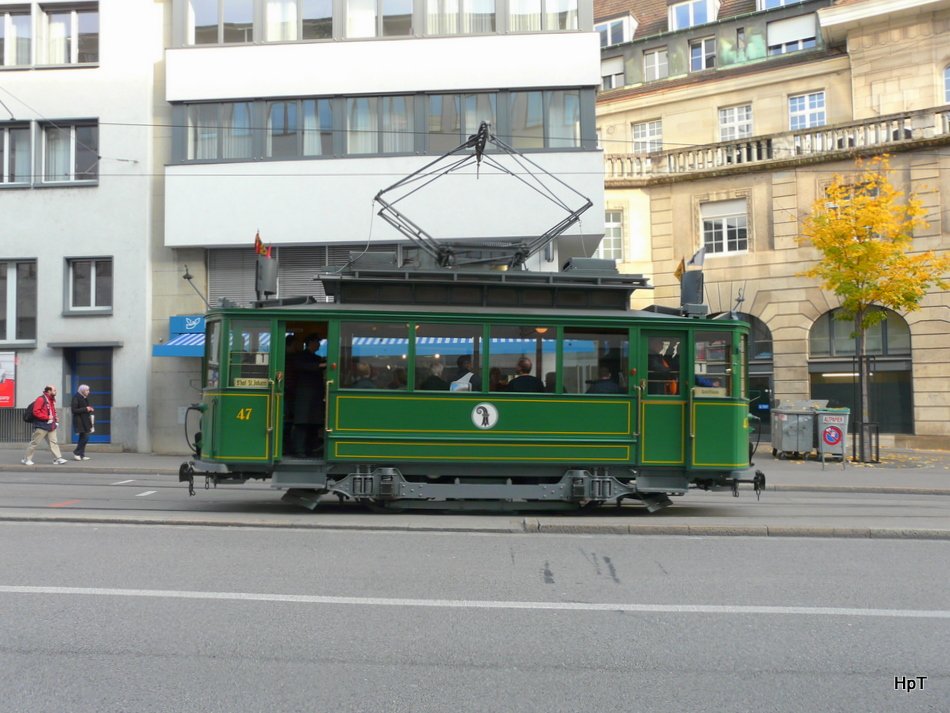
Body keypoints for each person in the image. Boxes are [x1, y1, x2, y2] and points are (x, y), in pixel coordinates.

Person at [290, 334, 326, 457]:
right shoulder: (300, 356)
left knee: (314, 423)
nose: (319, 345)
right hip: (304, 395)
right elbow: (301, 366)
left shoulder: (316, 357)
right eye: (317, 342)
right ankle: (299, 450)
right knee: (302, 423)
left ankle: (311, 449)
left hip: (315, 396)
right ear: (310, 343)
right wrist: (320, 366)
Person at [22, 385, 68, 465]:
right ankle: (26, 459)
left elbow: (52, 411)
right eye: (54, 390)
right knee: (35, 443)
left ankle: (58, 458)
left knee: (53, 442)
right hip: (41, 425)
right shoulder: (40, 399)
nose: (55, 392)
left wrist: (55, 418)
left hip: (51, 425)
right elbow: (36, 412)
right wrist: (47, 417)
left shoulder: (51, 400)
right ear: (49, 391)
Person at [71, 384, 95, 460]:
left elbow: (84, 408)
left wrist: (89, 409)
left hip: (84, 420)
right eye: (87, 390)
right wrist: (86, 409)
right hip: (79, 421)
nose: (88, 392)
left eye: (88, 390)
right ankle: (77, 452)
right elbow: (74, 410)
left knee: (83, 438)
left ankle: (81, 454)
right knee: (85, 437)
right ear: (82, 391)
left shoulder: (84, 397)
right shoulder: (76, 397)